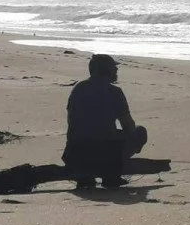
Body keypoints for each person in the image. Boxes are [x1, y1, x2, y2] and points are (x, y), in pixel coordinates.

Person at [62, 54, 147, 189]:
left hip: (75, 152)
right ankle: (112, 172)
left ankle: (89, 172)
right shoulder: (114, 92)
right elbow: (128, 125)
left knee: (96, 135)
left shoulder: (79, 89)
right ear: (106, 70)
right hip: (103, 153)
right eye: (114, 67)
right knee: (140, 131)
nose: (116, 70)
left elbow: (71, 121)